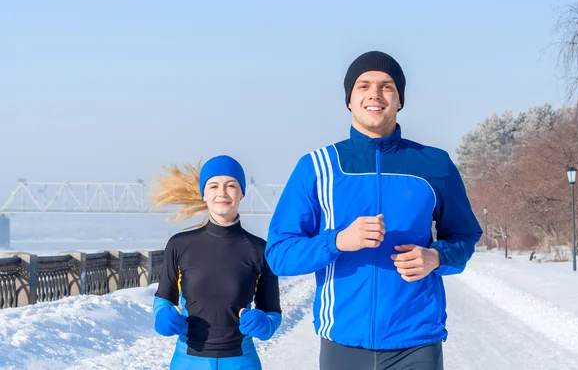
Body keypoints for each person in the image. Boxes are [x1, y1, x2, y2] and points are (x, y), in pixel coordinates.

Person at [265, 51, 482, 369]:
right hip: (343, 343)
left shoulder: (435, 165)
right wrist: (337, 241)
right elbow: (279, 254)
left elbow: (465, 235)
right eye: (363, 85)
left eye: (386, 86)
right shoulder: (317, 168)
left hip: (416, 343)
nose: (375, 94)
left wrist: (436, 257)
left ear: (399, 100)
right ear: (349, 100)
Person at [150, 155, 282, 370]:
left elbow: (272, 312)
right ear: (204, 193)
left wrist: (265, 324)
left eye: (231, 185)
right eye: (213, 186)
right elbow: (164, 297)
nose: (222, 192)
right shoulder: (179, 245)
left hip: (242, 361)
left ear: (242, 193)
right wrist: (162, 315)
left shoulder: (260, 250)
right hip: (187, 361)